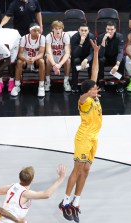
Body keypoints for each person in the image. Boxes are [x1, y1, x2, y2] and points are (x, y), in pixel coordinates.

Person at [59, 39, 101, 223]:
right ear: (89, 90)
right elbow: (82, 97)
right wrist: (87, 93)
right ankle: (65, 201)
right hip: (83, 137)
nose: (96, 88)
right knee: (77, 170)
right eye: (94, 87)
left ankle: (76, 202)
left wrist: (96, 53)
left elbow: (95, 72)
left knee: (86, 170)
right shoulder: (85, 101)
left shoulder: (95, 96)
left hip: (94, 138)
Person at [0, 165, 66, 223]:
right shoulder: (26, 193)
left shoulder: (12, 186)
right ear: (32, 179)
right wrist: (61, 178)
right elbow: (47, 194)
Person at [10, 23, 46, 97]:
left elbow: (41, 54)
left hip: (36, 60)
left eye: (38, 31)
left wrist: (34, 58)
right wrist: (26, 59)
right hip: (25, 60)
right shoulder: (24, 38)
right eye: (35, 31)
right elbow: (19, 54)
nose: (37, 32)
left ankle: (41, 86)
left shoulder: (42, 38)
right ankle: (17, 86)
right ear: (30, 31)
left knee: (42, 61)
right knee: (19, 62)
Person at [97, 21, 125, 92]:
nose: (109, 31)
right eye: (108, 29)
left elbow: (120, 51)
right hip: (105, 57)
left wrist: (117, 65)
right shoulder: (100, 37)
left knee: (122, 60)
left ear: (115, 30)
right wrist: (103, 40)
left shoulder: (119, 36)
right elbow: (100, 54)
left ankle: (120, 84)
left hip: (114, 57)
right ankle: (101, 84)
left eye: (111, 29)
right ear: (105, 29)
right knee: (100, 60)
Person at [45, 20, 71, 92]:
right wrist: (54, 64)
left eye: (59, 28)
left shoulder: (65, 36)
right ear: (52, 29)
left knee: (68, 61)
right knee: (47, 60)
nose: (58, 30)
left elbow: (67, 53)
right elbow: (48, 52)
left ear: (62, 29)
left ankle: (66, 82)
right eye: (56, 28)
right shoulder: (49, 36)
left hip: (61, 57)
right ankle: (47, 81)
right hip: (52, 56)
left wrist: (59, 64)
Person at [70, 22, 95, 93]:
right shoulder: (74, 37)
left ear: (88, 31)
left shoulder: (92, 37)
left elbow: (92, 52)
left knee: (92, 61)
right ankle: (74, 85)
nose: (84, 32)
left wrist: (87, 59)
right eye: (82, 30)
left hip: (87, 57)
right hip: (78, 56)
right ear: (78, 30)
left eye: (85, 30)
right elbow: (74, 54)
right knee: (75, 61)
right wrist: (81, 43)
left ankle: (91, 86)